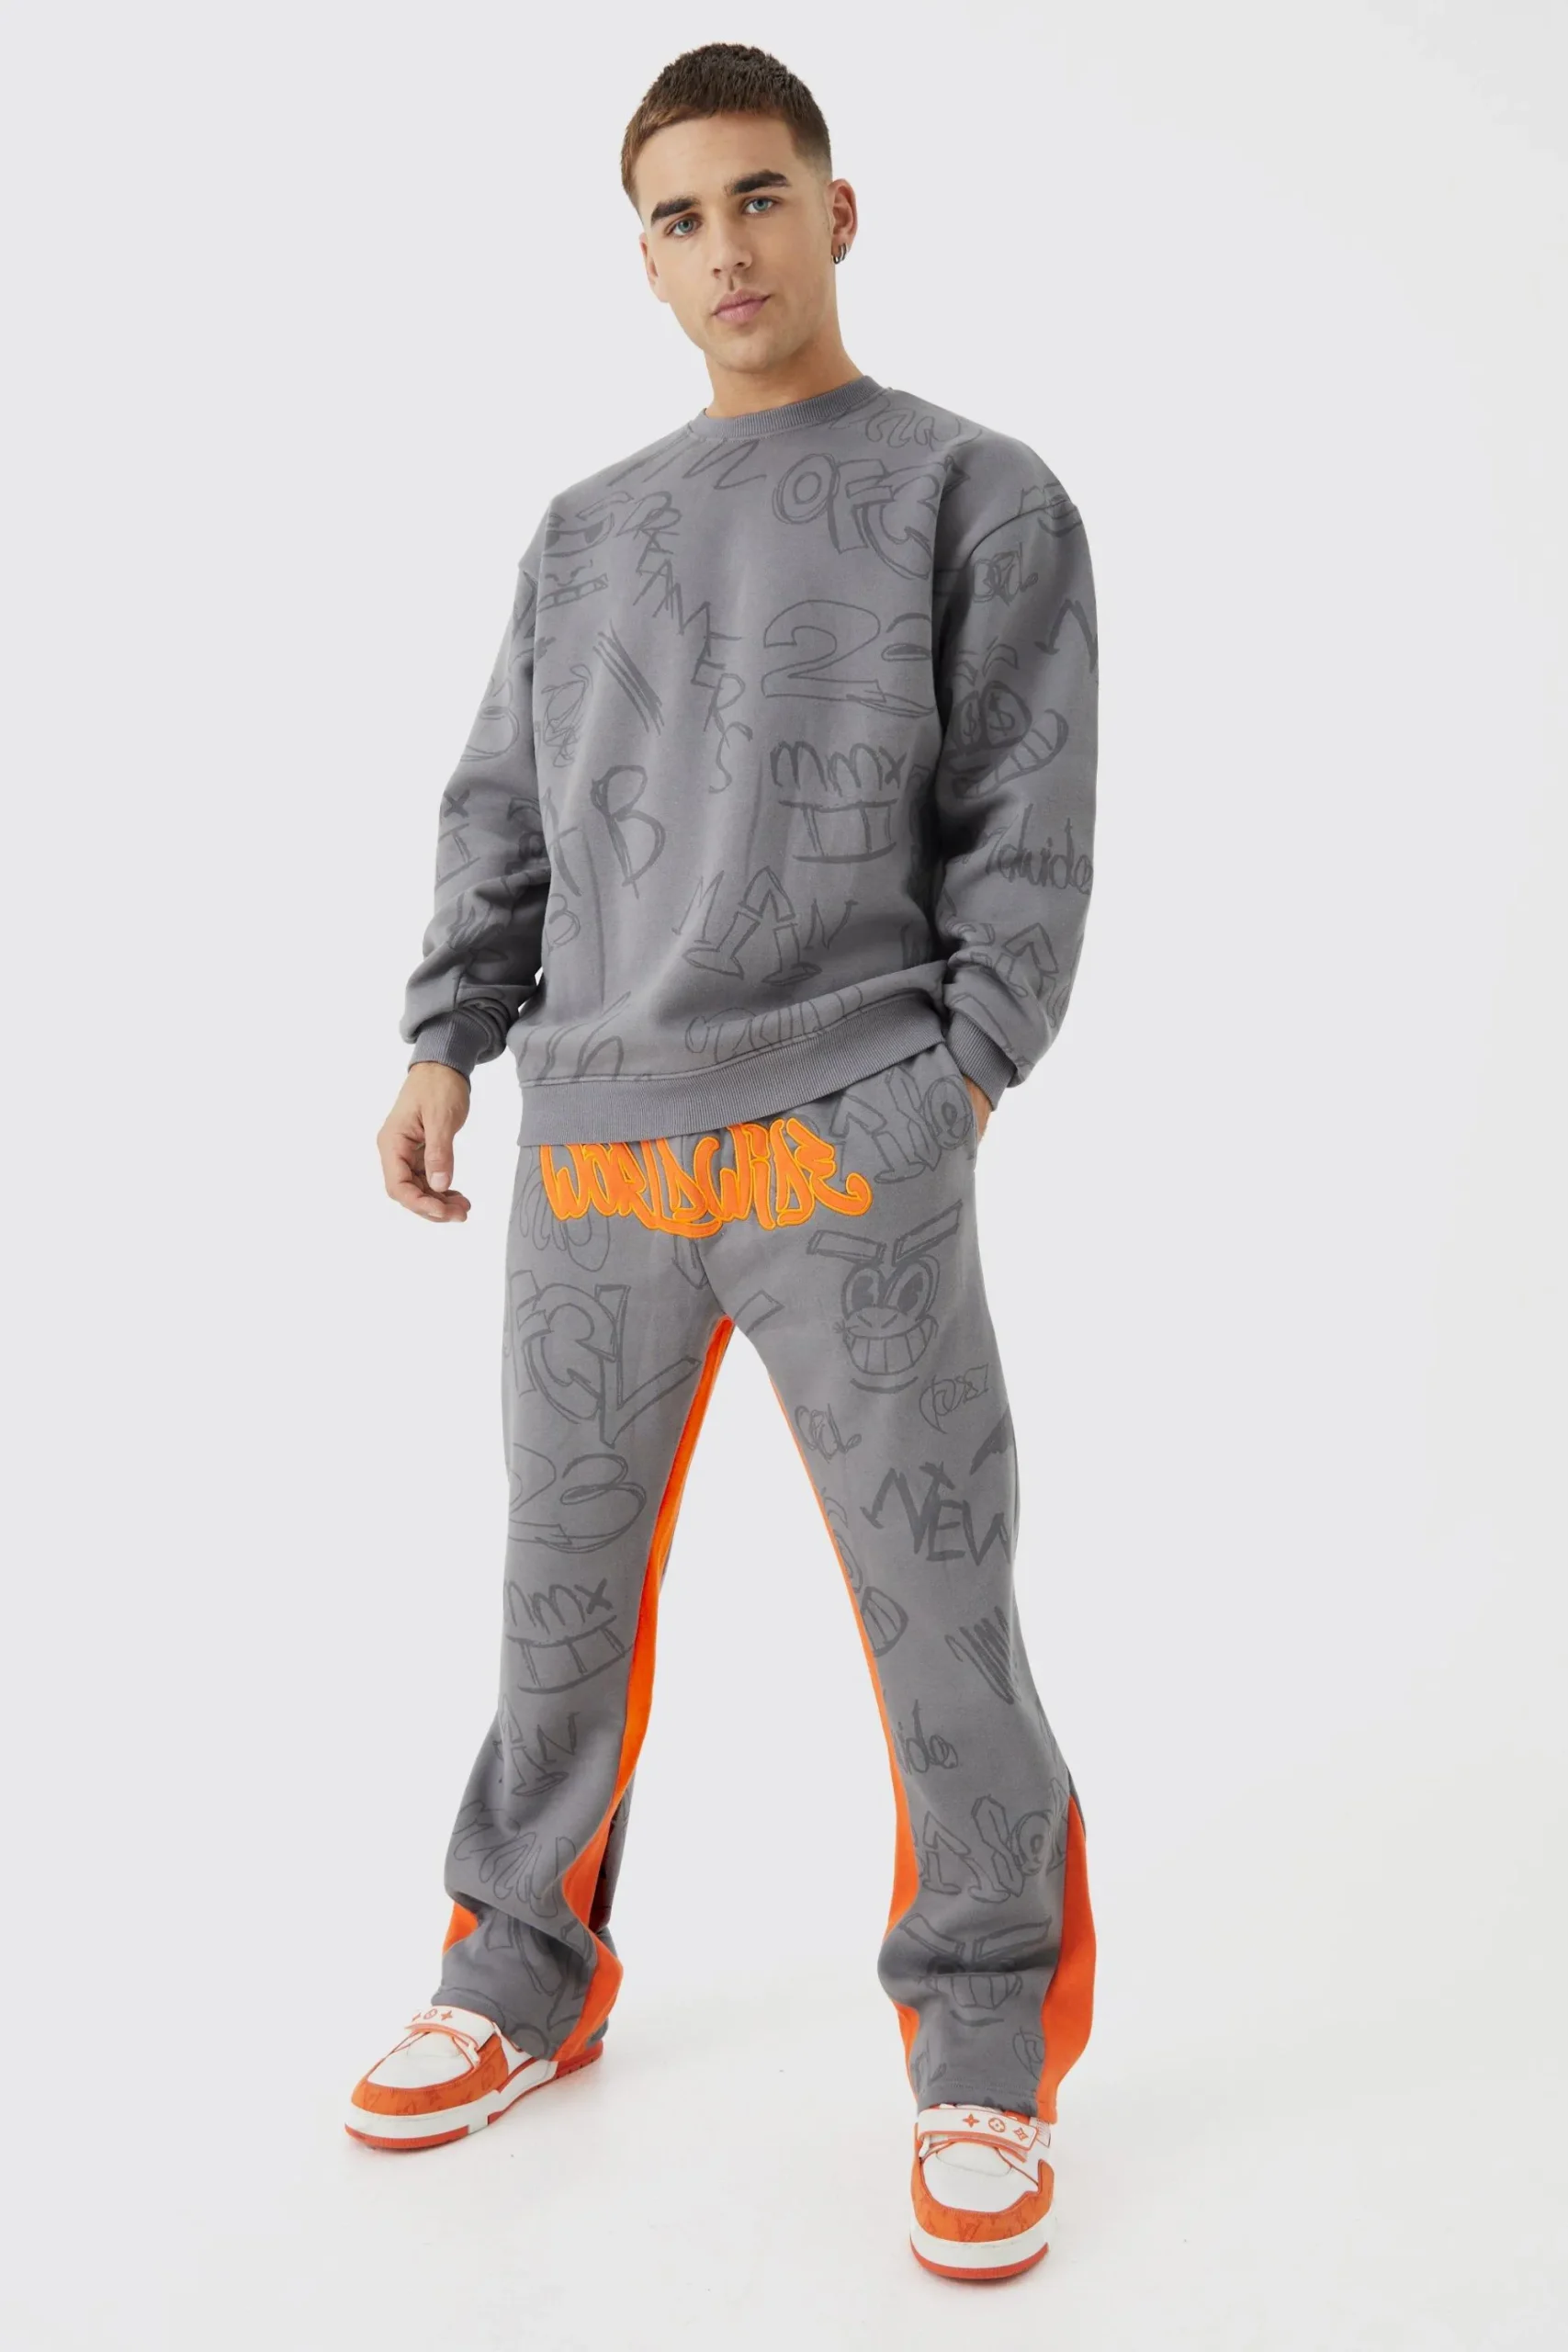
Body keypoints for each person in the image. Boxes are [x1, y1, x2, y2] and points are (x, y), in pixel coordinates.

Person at [350, 40, 1100, 2285]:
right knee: (556, 1598)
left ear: (834, 212)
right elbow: (507, 800)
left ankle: (985, 2033)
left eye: (758, 196)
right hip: (595, 1145)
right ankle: (517, 1972)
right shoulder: (584, 529)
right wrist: (443, 1038)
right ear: (647, 258)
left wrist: (952, 1081)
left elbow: (1029, 815)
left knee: (935, 1605)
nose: (725, 247)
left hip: (846, 1134)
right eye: (677, 218)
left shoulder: (976, 491)